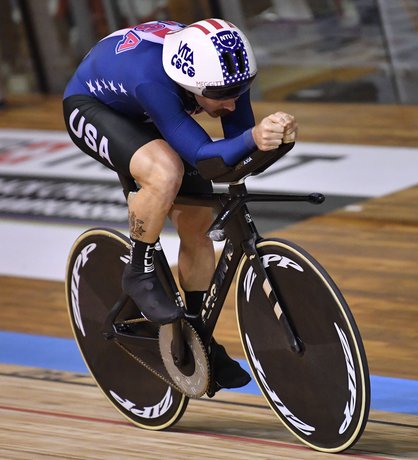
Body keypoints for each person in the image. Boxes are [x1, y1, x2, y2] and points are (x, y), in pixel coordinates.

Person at [62, 18, 298, 391]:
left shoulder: (225, 71)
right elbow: (204, 154)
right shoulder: (152, 78)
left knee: (198, 222)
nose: (233, 101)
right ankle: (138, 270)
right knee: (166, 171)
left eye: (241, 90)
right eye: (222, 96)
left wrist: (275, 140)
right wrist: (255, 136)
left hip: (151, 108)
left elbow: (235, 158)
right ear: (191, 85)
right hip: (95, 106)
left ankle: (196, 334)